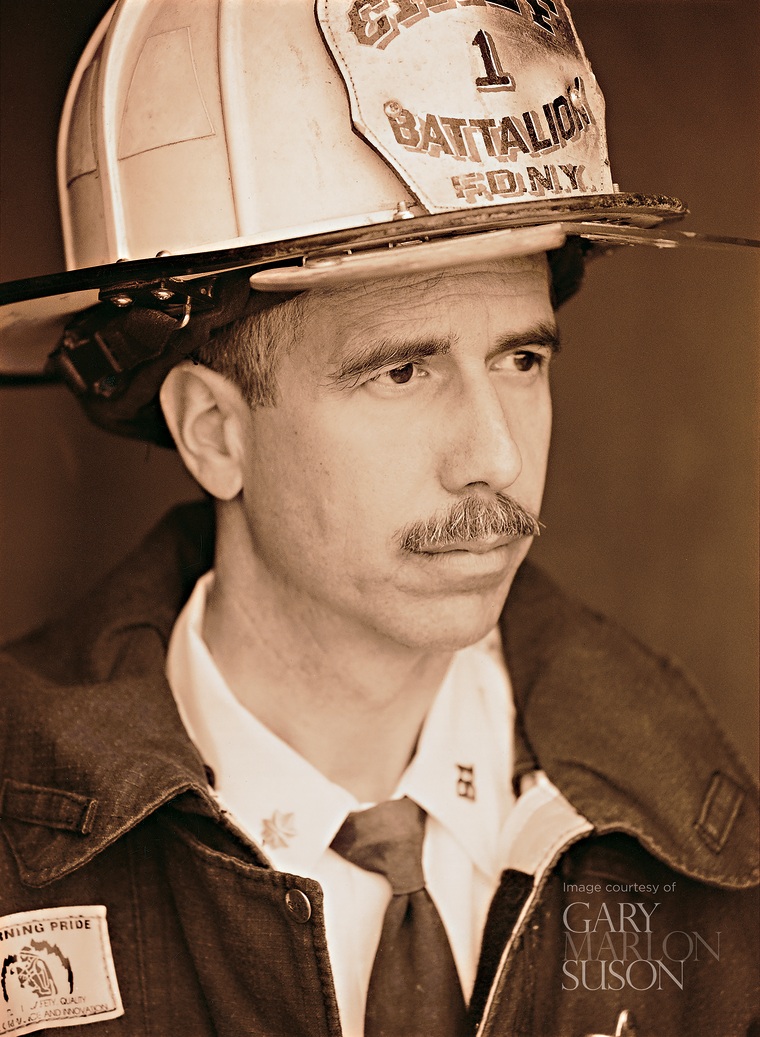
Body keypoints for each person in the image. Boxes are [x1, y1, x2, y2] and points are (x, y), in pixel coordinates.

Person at [0, 2, 757, 1036]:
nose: (495, 456)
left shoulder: (708, 836)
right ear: (212, 432)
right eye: (404, 370)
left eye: (520, 359)